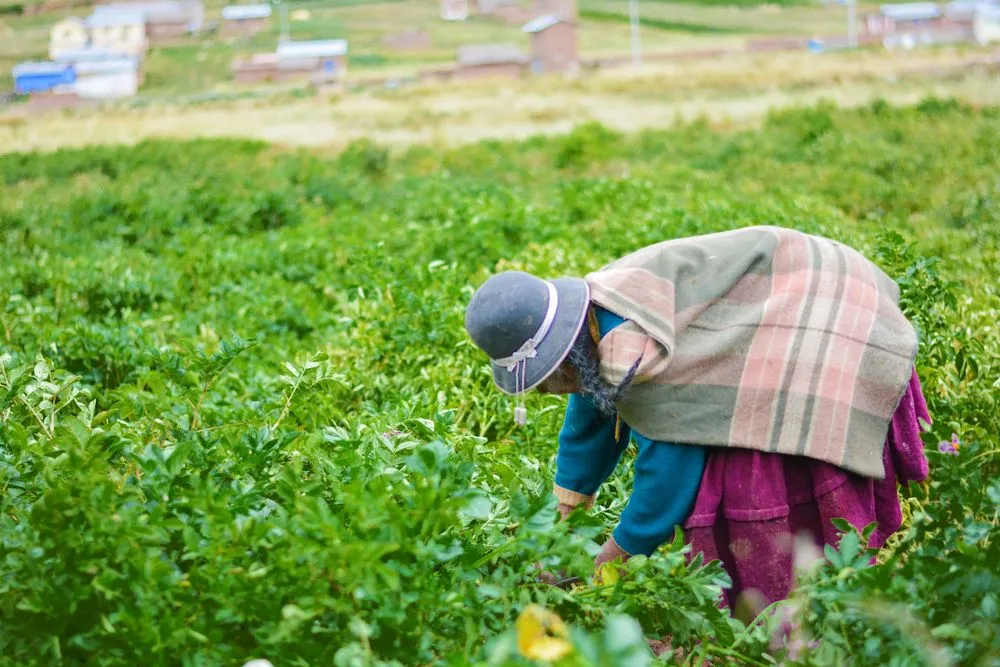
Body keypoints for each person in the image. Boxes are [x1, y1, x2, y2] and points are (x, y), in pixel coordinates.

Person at [463, 225, 930, 614]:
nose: (546, 390)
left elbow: (669, 478)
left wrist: (609, 562)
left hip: (829, 306)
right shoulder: (587, 323)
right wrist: (563, 516)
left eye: (546, 377)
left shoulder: (632, 352)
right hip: (800, 274)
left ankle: (804, 603)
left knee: (737, 471)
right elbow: (589, 418)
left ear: (566, 354)